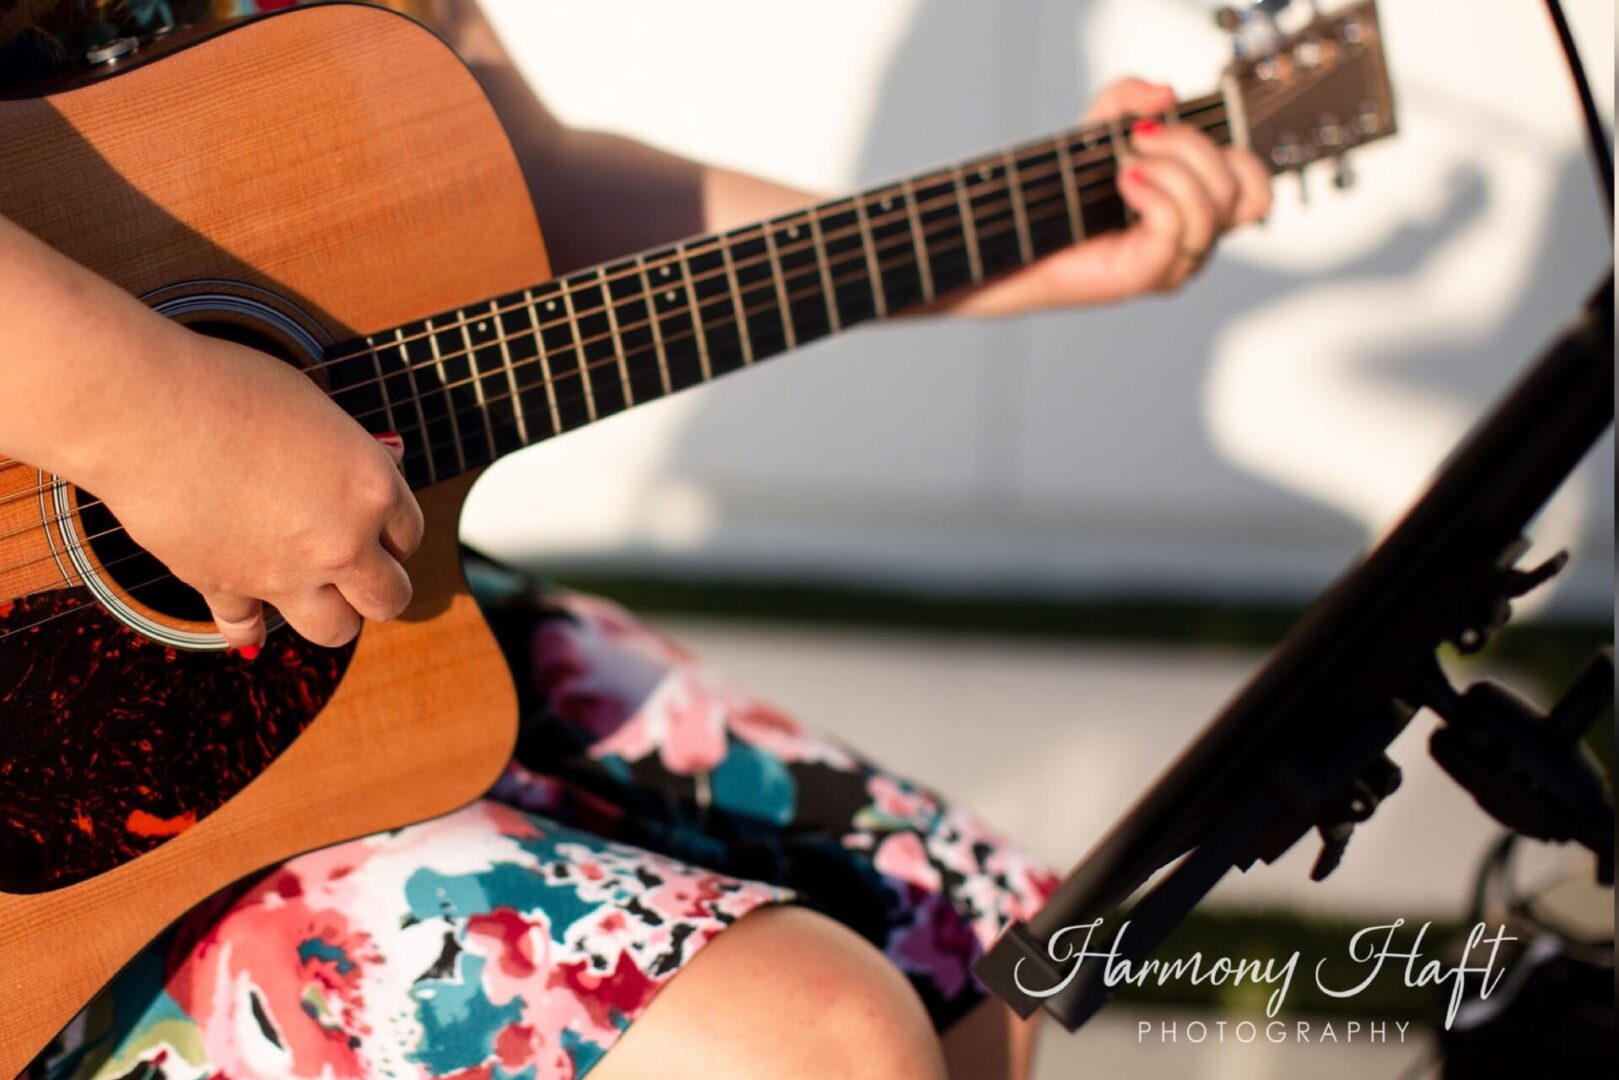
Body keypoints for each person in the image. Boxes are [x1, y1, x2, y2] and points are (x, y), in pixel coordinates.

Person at [2, 2, 1272, 1077]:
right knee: (818, 1040)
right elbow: (166, 423)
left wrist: (1005, 248)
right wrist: (152, 419)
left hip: (354, 652)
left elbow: (503, 173)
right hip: (53, 905)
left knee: (975, 955)